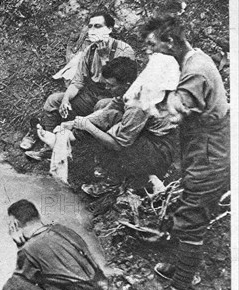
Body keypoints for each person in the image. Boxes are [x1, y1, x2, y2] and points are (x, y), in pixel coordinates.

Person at [138, 16, 230, 290]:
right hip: (200, 144)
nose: (150, 52)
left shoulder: (196, 72)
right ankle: (182, 268)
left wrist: (147, 104)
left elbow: (174, 114)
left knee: (192, 221)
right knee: (188, 205)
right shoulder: (192, 60)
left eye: (153, 46)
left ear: (170, 42)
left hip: (210, 151)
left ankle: (180, 289)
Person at [22, 11, 135, 159]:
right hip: (91, 94)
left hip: (111, 97)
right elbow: (78, 81)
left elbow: (124, 84)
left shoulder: (124, 51)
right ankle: (50, 147)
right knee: (53, 100)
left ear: (109, 29)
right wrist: (66, 99)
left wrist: (104, 59)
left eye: (98, 26)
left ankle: (93, 157)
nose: (93, 30)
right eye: (91, 26)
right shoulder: (89, 50)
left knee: (102, 105)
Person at [66, 55, 178, 194]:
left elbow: (118, 144)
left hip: (159, 149)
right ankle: (101, 163)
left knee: (112, 134)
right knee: (104, 107)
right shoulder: (131, 87)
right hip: (149, 133)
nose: (107, 87)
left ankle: (112, 182)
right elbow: (107, 109)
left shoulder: (137, 103)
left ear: (125, 84)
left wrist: (88, 127)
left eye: (111, 85)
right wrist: (76, 122)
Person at [2, 199, 105, 290]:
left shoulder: (29, 248)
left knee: (11, 289)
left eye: (10, 224)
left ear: (15, 224)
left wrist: (20, 245)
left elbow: (21, 283)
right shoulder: (62, 229)